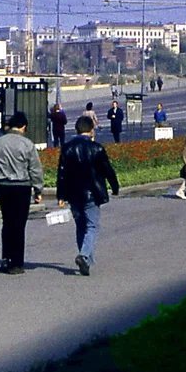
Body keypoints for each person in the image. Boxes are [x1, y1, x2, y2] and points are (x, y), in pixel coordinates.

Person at [56, 115, 120, 276]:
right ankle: (84, 256)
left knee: (80, 226)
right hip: (92, 193)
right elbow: (107, 170)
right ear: (91, 130)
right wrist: (115, 186)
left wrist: (61, 195)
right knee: (92, 226)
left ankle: (86, 261)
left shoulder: (67, 148)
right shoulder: (97, 148)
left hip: (73, 194)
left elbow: (61, 174)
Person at [0, 112, 43, 275]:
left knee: (7, 223)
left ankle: (6, 258)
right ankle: (17, 263)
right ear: (23, 126)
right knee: (19, 225)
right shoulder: (27, 144)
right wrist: (38, 189)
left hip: (3, 186)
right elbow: (35, 169)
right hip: (21, 187)